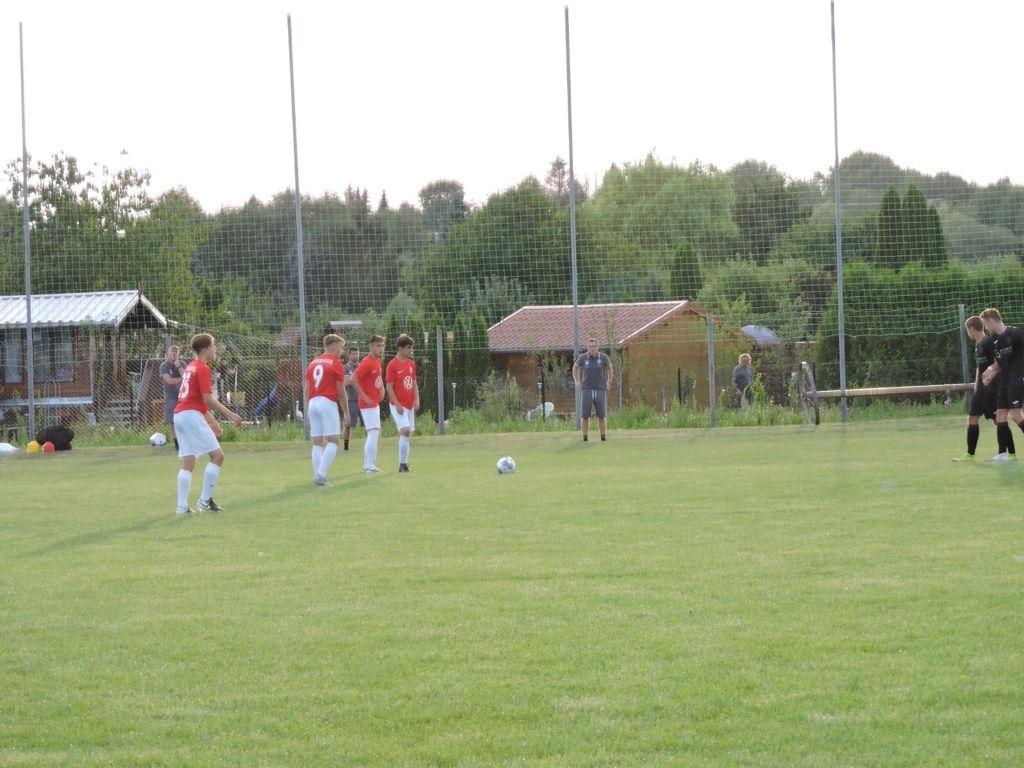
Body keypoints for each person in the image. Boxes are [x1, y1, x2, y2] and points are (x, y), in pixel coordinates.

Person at [172, 333, 243, 514]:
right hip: (190, 415)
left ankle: (182, 506)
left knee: (189, 461)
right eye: (213, 346)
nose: (215, 349)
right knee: (218, 456)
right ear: (204, 350)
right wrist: (232, 415)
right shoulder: (202, 368)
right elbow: (207, 399)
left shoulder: (191, 367)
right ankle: (204, 500)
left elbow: (196, 400)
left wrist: (212, 422)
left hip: (179, 415)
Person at [303, 334, 350, 486]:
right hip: (326, 402)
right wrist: (346, 412)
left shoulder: (313, 363)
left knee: (317, 442)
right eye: (341, 348)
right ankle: (321, 476)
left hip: (313, 403)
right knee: (334, 440)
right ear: (334, 348)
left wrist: (307, 410)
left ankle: (318, 475)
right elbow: (341, 392)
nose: (342, 351)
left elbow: (306, 389)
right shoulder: (336, 364)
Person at [980, 307, 1024, 460]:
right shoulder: (993, 341)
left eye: (985, 324)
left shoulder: (1015, 333)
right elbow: (999, 363)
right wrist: (990, 373)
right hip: (1004, 381)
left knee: (1016, 415)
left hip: (1017, 380)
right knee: (1000, 415)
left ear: (991, 321)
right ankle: (1003, 454)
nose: (986, 328)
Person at [954, 316, 999, 461]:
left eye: (968, 330)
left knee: (998, 420)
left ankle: (1005, 452)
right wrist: (976, 385)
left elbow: (998, 364)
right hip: (980, 389)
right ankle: (970, 454)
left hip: (991, 389)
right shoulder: (977, 345)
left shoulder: (989, 343)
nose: (968, 332)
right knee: (972, 418)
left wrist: (989, 378)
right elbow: (979, 368)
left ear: (972, 329)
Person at [348, 334, 385, 473]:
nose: (381, 348)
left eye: (382, 346)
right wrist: (364, 396)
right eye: (378, 346)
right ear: (371, 347)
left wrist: (382, 388)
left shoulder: (377, 361)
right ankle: (369, 466)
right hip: (367, 403)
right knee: (373, 433)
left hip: (374, 401)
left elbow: (377, 378)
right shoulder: (367, 362)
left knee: (374, 433)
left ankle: (368, 465)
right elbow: (353, 379)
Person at [386, 334, 420, 473]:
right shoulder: (392, 365)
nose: (410, 350)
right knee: (405, 430)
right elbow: (389, 387)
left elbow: (414, 383)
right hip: (397, 405)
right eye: (408, 348)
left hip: (409, 403)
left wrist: (417, 399)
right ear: (400, 348)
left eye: (411, 348)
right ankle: (402, 464)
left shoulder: (411, 364)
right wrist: (397, 404)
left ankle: (404, 464)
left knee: (407, 433)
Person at [572, 337, 613, 442]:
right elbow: (575, 367)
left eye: (594, 346)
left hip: (600, 389)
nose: (592, 349)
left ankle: (603, 436)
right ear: (587, 347)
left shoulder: (603, 357)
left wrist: (609, 381)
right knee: (585, 415)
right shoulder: (583, 357)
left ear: (597, 347)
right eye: (590, 347)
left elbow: (610, 367)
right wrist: (577, 381)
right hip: (587, 389)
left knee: (601, 415)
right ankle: (585, 437)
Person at [160, 345, 187, 451]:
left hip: (183, 395)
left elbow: (187, 377)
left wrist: (178, 366)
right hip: (170, 395)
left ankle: (186, 440)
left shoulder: (182, 364)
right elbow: (169, 381)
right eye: (172, 351)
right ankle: (177, 443)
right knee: (173, 420)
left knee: (185, 418)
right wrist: (181, 379)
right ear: (168, 354)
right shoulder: (164, 366)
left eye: (176, 351)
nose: (174, 353)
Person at [342, 346, 363, 451]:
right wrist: (356, 381)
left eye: (357, 354)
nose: (355, 356)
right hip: (351, 399)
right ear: (349, 355)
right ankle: (346, 446)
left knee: (368, 424)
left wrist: (353, 381)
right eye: (353, 354)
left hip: (363, 399)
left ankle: (369, 444)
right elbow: (346, 382)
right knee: (348, 424)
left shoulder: (362, 366)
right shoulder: (346, 368)